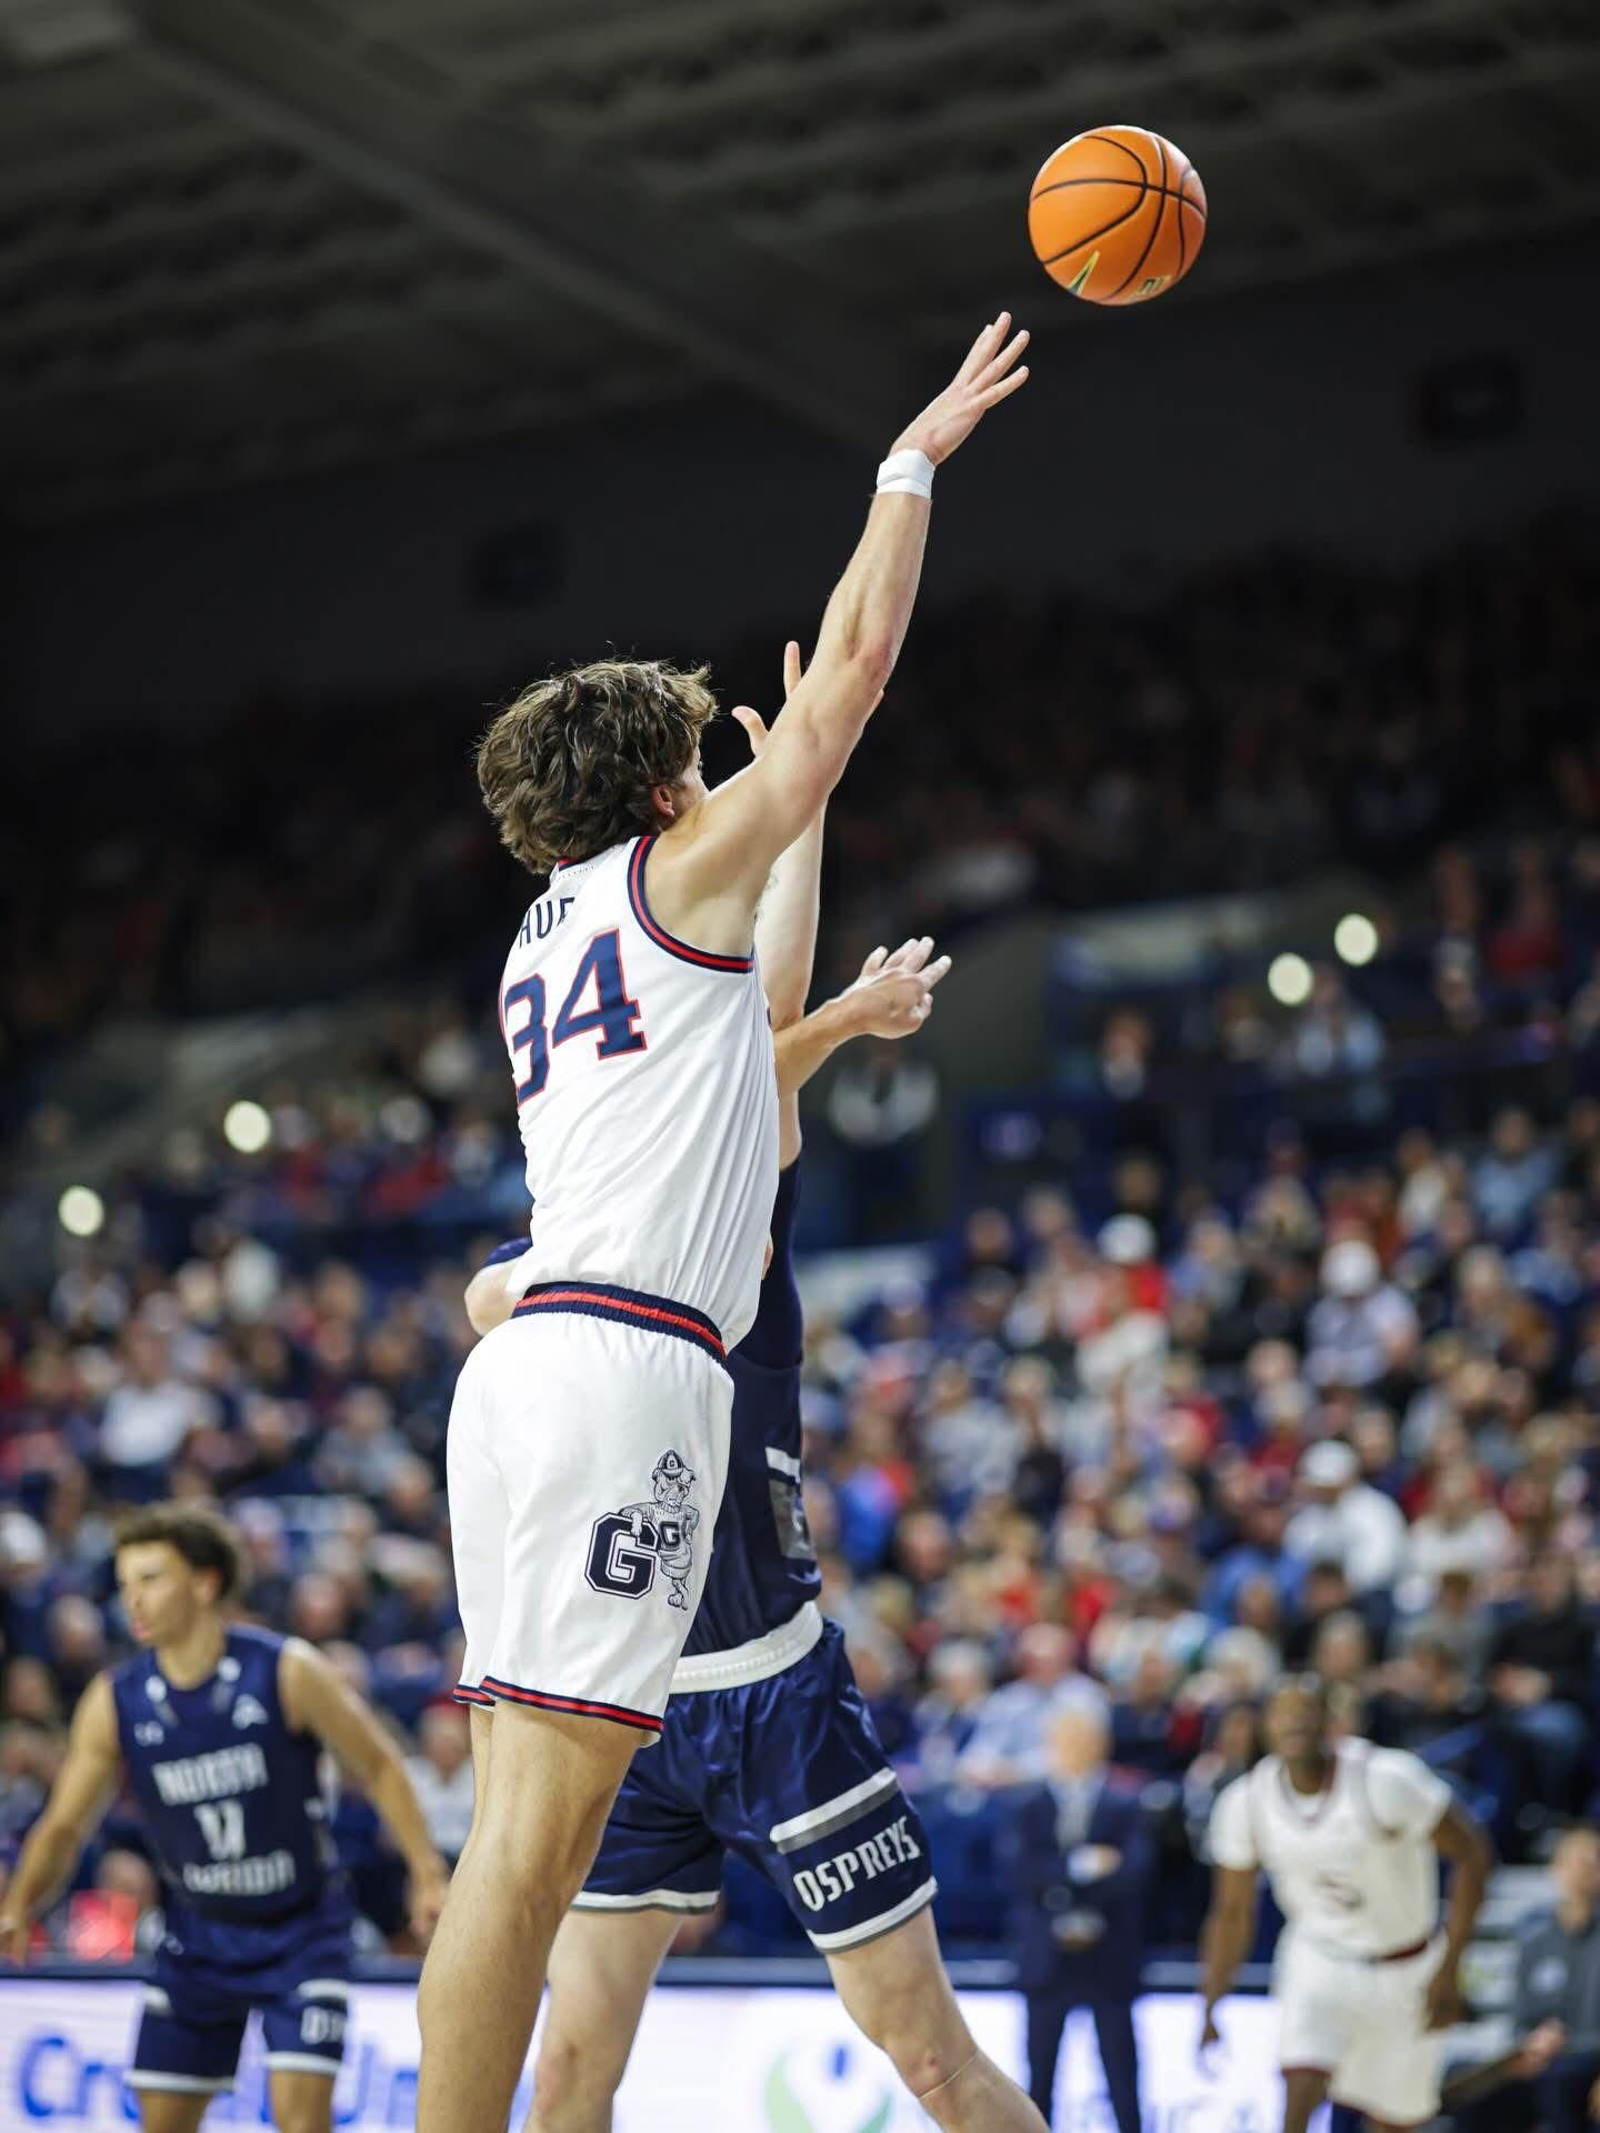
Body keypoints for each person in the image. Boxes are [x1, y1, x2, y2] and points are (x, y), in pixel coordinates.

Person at [423, 312, 1030, 2133]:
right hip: (618, 1377)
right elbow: (847, 678)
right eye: (708, 760)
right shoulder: (668, 869)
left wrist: (825, 982)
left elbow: (749, 1027)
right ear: (670, 790)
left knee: (517, 1848)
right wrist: (908, 462)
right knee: (524, 1866)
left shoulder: (554, 930)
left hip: (541, 1355)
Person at [0, 1503, 448, 2133]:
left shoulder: (285, 1669)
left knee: (301, 2121)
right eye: (127, 1584)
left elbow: (379, 1764)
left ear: (205, 1583)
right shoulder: (116, 1700)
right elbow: (65, 1826)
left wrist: (427, 1875)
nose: (135, 1600)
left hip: (301, 1929)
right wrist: (19, 1904)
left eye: (152, 1579)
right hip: (198, 1932)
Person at [1198, 1674, 1490, 2133]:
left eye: (1305, 1710)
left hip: (1406, 1961)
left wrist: (1451, 1963)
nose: (1294, 1721)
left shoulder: (1387, 1779)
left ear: (1330, 1720)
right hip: (1319, 1958)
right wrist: (1211, 2002)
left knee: (1397, 2120)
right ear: (1264, 1726)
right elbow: (1231, 1913)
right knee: (1299, 2090)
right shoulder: (1245, 1802)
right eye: (1282, 1712)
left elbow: (1473, 1854)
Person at [998, 1705, 1155, 2132]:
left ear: (1101, 1745)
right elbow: (1019, 1872)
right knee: (1039, 2079)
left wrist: (1059, 1881)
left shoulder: (1127, 1804)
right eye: (1065, 1741)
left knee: (1122, 2077)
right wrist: (1080, 1867)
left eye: (1083, 1741)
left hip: (1109, 1958)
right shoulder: (1028, 1805)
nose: (1073, 1750)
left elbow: (1134, 1873)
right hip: (1046, 1961)